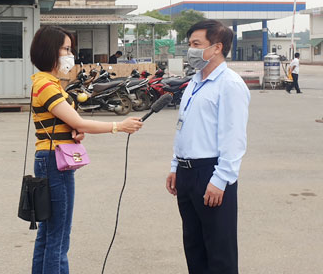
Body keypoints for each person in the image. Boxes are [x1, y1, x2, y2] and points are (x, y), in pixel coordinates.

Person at [29, 25, 143, 274]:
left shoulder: (48, 83)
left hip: (52, 157)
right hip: (54, 161)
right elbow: (80, 122)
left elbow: (68, 122)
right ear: (50, 50)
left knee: (49, 233)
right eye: (66, 49)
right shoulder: (46, 85)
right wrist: (119, 126)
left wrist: (72, 130)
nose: (70, 55)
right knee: (59, 235)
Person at [165, 20, 250, 274]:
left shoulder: (230, 85)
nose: (190, 50)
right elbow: (185, 128)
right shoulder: (195, 82)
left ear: (217, 47)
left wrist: (220, 179)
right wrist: (175, 166)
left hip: (211, 173)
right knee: (194, 247)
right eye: (189, 44)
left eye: (196, 44)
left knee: (219, 251)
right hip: (186, 173)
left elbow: (234, 138)